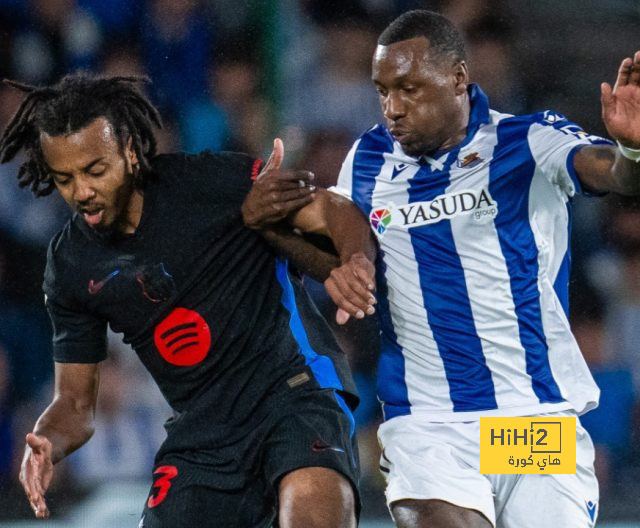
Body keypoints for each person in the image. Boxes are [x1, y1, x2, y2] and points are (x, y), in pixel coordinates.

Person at [241, 9, 640, 528]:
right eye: (382, 91)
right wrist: (268, 220)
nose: (392, 108)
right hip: (430, 424)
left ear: (457, 78)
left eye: (407, 89)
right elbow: (337, 228)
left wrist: (632, 146)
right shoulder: (368, 158)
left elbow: (615, 174)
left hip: (533, 418)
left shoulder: (527, 140)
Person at [0, 73, 378, 527]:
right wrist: (45, 442)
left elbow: (335, 209)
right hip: (202, 432)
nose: (81, 191)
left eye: (95, 171)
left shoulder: (209, 181)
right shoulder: (71, 265)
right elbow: (76, 406)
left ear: (130, 151)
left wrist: (355, 259)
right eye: (64, 179)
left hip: (296, 394)